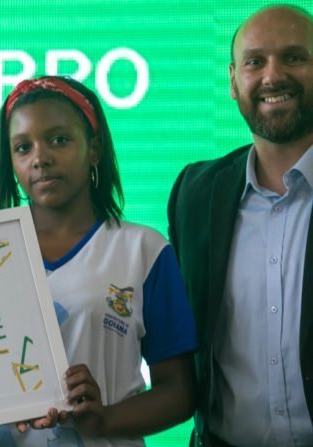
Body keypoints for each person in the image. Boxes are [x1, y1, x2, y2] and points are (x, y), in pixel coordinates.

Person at [0, 76, 198, 447]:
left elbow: (179, 393)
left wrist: (104, 419)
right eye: (23, 147)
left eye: (59, 139)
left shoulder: (143, 250)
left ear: (95, 149)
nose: (40, 158)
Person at [168, 5, 313, 446]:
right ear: (233, 81)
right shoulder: (195, 192)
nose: (273, 76)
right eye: (255, 62)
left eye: (294, 57)